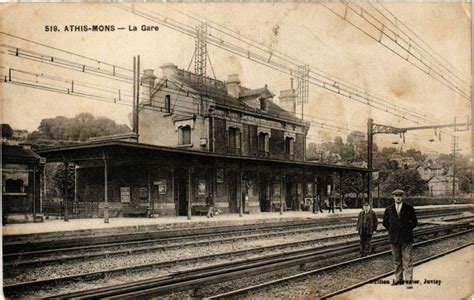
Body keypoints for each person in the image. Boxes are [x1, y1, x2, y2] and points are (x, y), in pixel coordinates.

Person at [383, 189, 418, 289]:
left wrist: (406, 229)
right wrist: (392, 230)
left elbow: (415, 222)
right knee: (396, 260)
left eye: (400, 195)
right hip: (394, 238)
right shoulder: (389, 209)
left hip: (406, 238)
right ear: (393, 197)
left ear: (403, 197)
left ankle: (408, 281)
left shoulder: (409, 208)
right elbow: (385, 223)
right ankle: (399, 279)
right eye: (396, 195)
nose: (398, 197)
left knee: (407, 260)